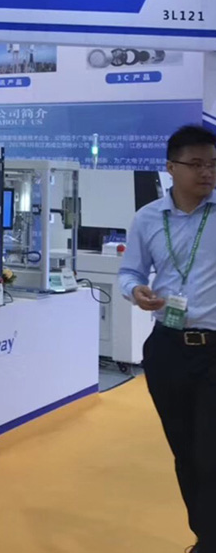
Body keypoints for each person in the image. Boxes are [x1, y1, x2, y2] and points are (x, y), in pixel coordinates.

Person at [119, 125, 216, 553]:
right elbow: (130, 272)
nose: (207, 172)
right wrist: (135, 291)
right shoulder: (147, 218)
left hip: (214, 349)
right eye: (196, 164)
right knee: (186, 452)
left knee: (211, 453)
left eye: (213, 164)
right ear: (171, 168)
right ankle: (205, 535)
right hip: (167, 348)